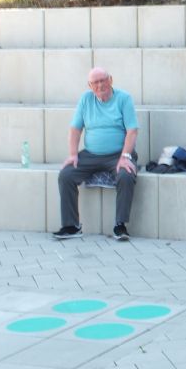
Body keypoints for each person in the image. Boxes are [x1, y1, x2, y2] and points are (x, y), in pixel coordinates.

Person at [54, 67, 139, 241]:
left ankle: (120, 225)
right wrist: (73, 154)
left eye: (103, 80)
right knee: (66, 174)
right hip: (91, 154)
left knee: (126, 175)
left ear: (111, 80)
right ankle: (71, 226)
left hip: (118, 154)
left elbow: (132, 131)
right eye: (96, 82)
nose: (100, 85)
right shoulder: (86, 100)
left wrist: (125, 156)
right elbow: (75, 129)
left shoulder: (124, 98)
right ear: (90, 86)